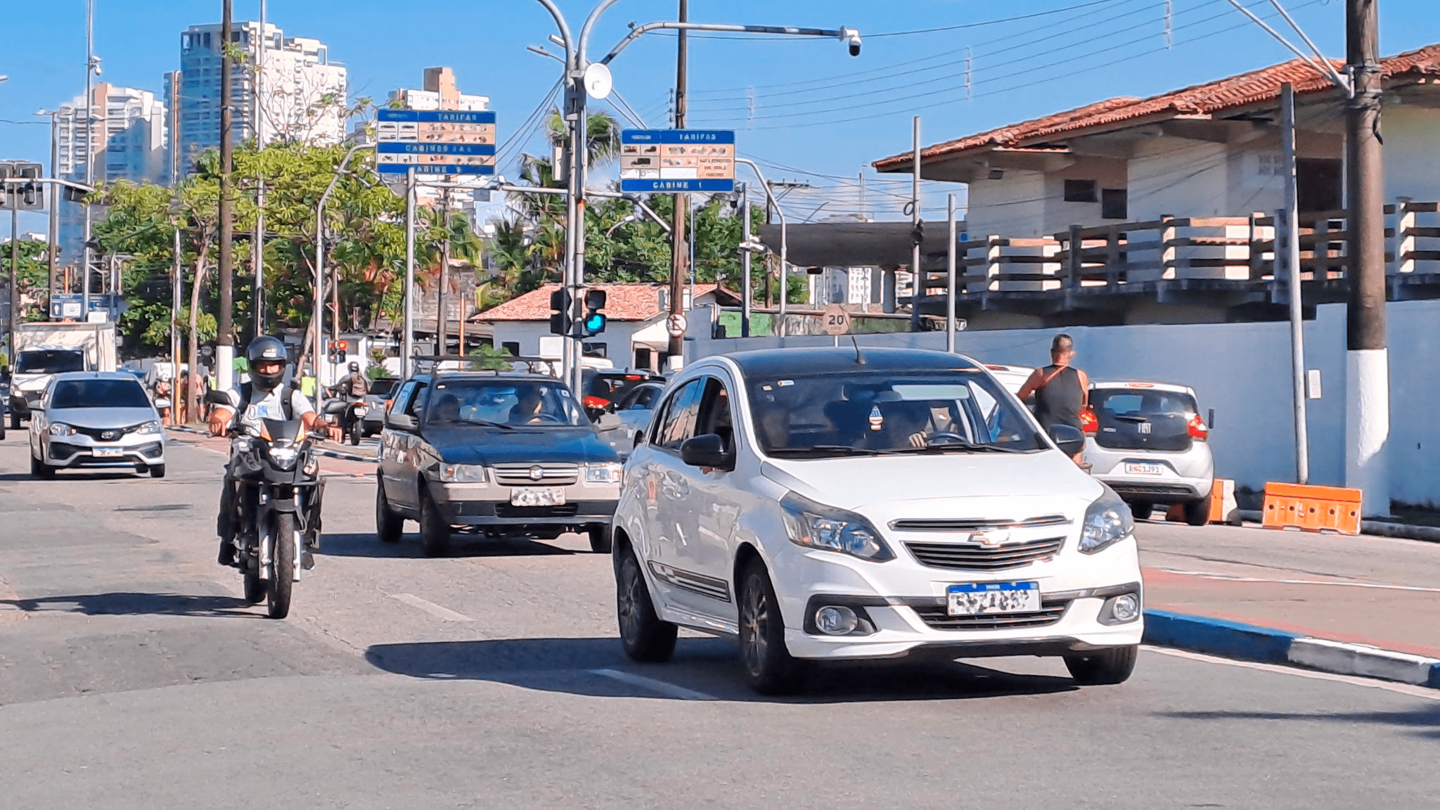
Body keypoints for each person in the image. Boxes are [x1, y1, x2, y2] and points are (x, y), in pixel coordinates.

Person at [208, 336, 342, 567]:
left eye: (274, 365)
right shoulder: (242, 392)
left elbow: (309, 417)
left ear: (282, 367)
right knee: (232, 480)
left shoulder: (291, 395)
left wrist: (324, 426)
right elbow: (225, 410)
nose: (268, 370)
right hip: (250, 454)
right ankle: (228, 539)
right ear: (253, 366)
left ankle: (307, 539)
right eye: (263, 365)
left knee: (313, 480)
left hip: (285, 453)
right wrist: (218, 421)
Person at [1017, 333, 1090, 464]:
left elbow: (1020, 398)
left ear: (1052, 352)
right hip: (1073, 435)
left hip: (1046, 435)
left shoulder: (1040, 374)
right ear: (1071, 354)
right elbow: (1083, 404)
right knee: (1076, 465)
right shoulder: (1080, 376)